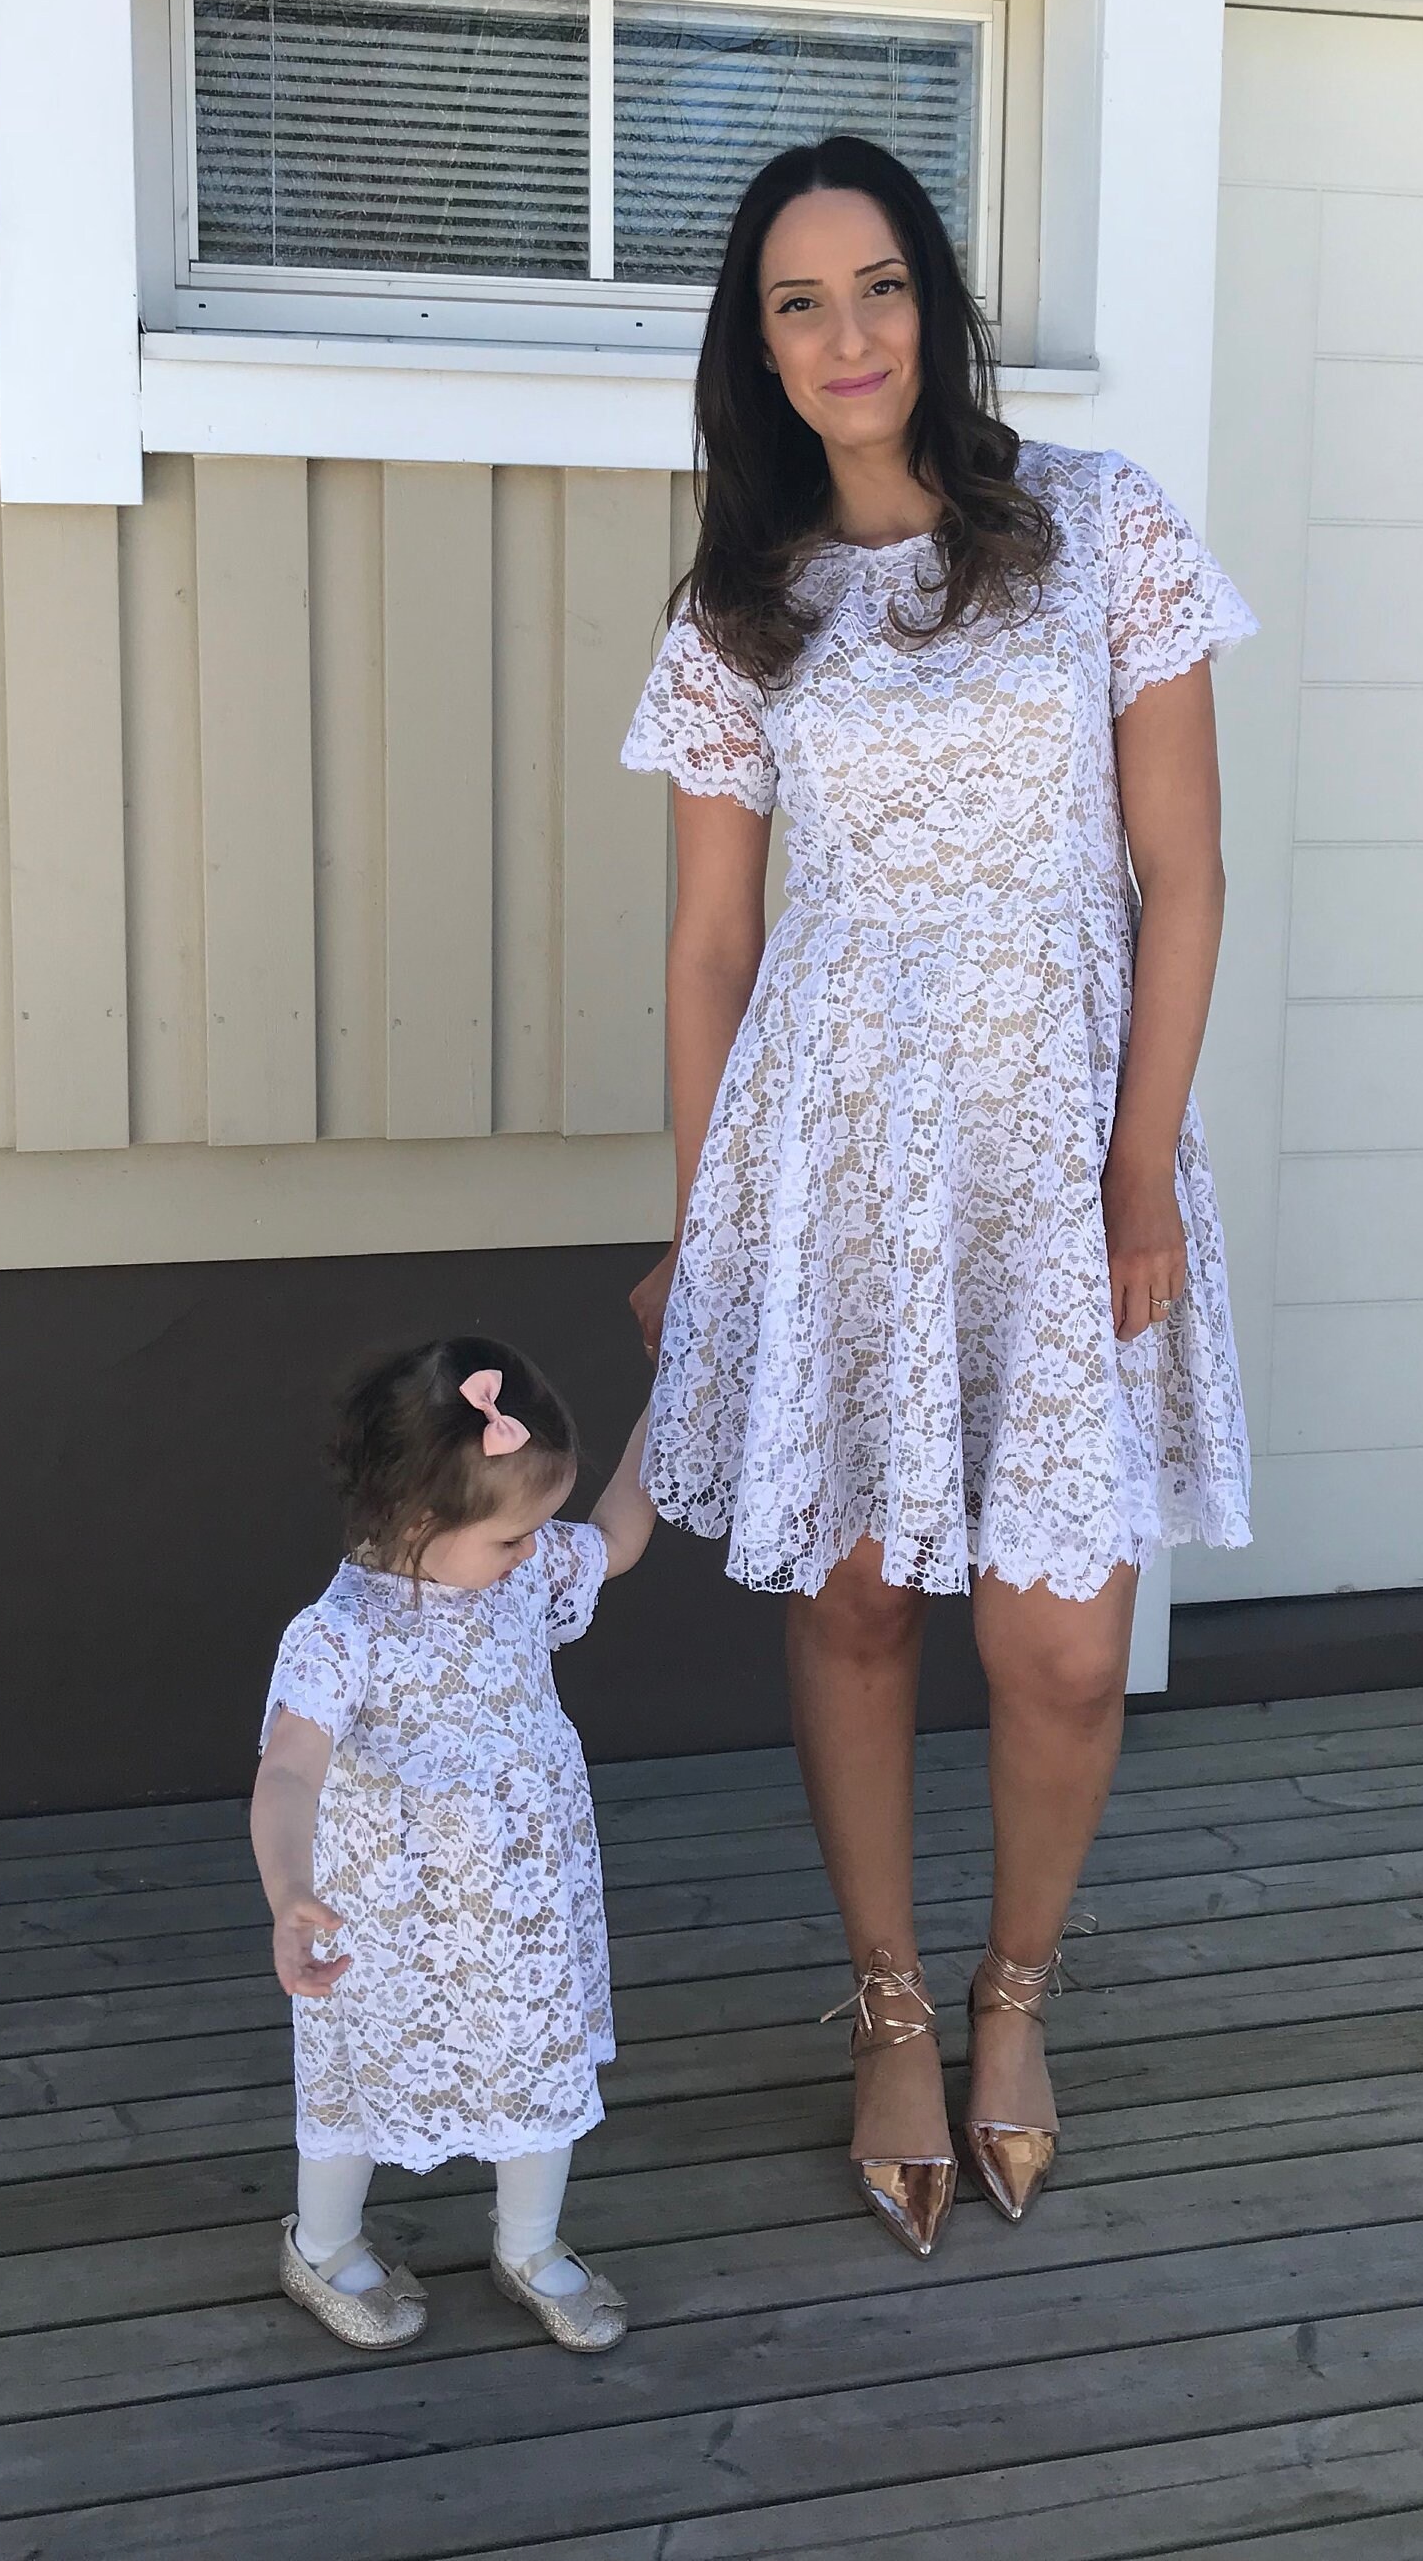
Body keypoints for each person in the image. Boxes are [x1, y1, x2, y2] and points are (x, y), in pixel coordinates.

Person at [621, 133, 1254, 2258]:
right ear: (757, 346)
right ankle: (889, 2001)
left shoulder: (1100, 527)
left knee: (1064, 1646)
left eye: (878, 287)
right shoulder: (738, 606)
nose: (847, 338)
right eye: (797, 304)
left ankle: (1015, 1997)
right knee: (865, 1592)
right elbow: (715, 952)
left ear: (938, 303)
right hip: (835, 1152)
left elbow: (1184, 876)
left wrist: (1139, 1171)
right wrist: (715, 1241)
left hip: (1064, 1137)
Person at [251, 1338, 655, 2351]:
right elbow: (290, 1768)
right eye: (515, 1535)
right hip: (387, 1913)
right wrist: (290, 1888)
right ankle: (325, 2241)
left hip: (520, 1894)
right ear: (422, 1524)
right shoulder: (340, 1634)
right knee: (356, 2066)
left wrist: (674, 1402)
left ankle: (528, 2241)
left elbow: (616, 1534)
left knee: (536, 2055)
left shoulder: (513, 1577)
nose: (537, 1550)